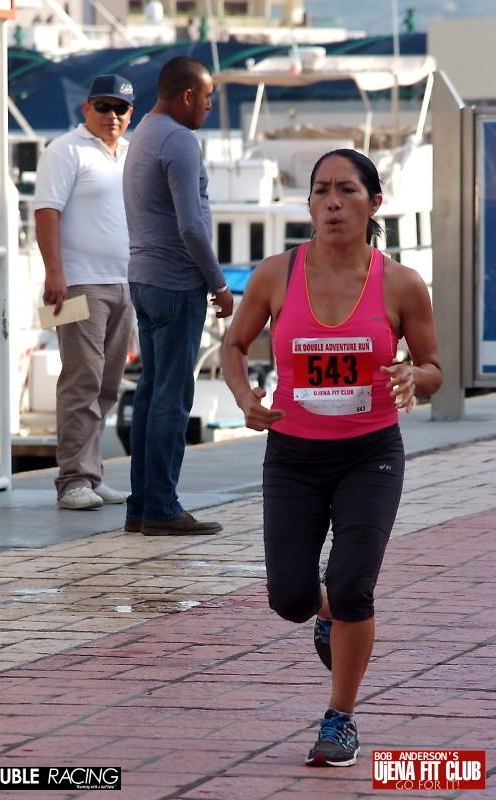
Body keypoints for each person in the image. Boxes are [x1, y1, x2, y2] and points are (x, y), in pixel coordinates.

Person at [221, 149, 442, 767]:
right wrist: (244, 397)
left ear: (375, 203)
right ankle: (324, 614)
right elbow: (234, 346)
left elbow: (434, 368)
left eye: (347, 190)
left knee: (352, 584)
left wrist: (413, 376)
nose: (333, 202)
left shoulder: (401, 283)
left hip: (370, 455)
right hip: (292, 456)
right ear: (310, 203)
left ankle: (339, 718)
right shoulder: (276, 274)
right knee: (290, 597)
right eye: (321, 190)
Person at [123, 56, 234, 536]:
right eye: (206, 97)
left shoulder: (143, 134)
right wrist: (219, 283)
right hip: (176, 284)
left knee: (151, 392)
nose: (209, 106)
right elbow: (191, 225)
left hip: (144, 279)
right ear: (187, 95)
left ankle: (141, 506)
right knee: (172, 396)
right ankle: (163, 509)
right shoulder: (179, 141)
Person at [34, 74, 135, 510]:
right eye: (103, 106)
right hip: (78, 283)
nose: (111, 115)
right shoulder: (65, 150)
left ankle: (91, 475)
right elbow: (46, 212)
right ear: (86, 108)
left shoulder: (130, 154)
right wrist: (54, 273)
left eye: (120, 108)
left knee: (108, 385)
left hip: (124, 283)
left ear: (130, 113)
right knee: (82, 381)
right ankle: (73, 480)